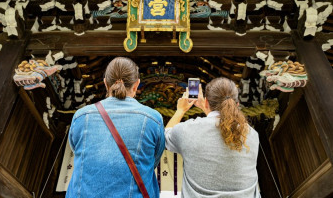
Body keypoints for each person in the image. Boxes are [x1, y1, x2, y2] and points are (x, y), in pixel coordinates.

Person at [66, 57, 165, 198]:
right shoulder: (153, 119)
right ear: (137, 85)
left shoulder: (81, 116)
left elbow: (76, 149)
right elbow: (153, 160)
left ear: (106, 83)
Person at [165, 77, 260, 198]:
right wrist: (207, 109)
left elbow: (166, 136)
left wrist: (180, 110)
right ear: (237, 105)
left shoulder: (189, 130)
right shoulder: (251, 135)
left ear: (206, 102)